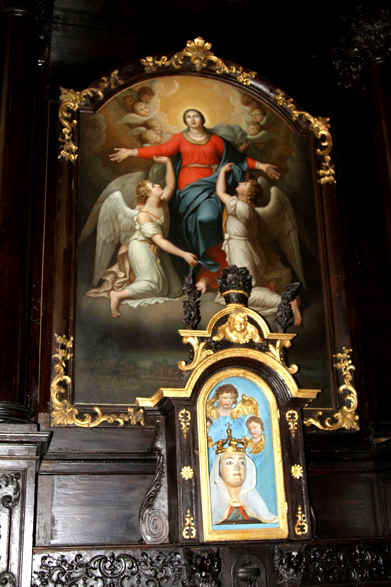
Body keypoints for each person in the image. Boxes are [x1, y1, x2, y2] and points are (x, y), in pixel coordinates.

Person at [109, 109, 280, 294]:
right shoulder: (180, 139)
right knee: (186, 226)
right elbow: (161, 150)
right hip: (186, 189)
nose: (192, 119)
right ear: (185, 121)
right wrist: (131, 152)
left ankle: (212, 264)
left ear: (202, 118)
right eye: (188, 117)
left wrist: (262, 166)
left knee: (207, 219)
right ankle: (201, 269)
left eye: (195, 116)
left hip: (211, 187)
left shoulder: (215, 140)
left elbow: (238, 159)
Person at [98, 156, 197, 317]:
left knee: (172, 290)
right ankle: (117, 296)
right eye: (153, 185)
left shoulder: (162, 201)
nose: (158, 185)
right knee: (152, 285)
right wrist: (183, 254)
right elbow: (160, 241)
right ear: (148, 194)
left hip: (155, 248)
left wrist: (167, 162)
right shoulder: (144, 215)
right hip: (140, 247)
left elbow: (171, 184)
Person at [216, 163, 302, 324]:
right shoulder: (249, 209)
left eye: (245, 184)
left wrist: (221, 172)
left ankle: (286, 302)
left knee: (243, 292)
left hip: (241, 252)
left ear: (248, 193)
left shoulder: (240, 207)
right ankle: (283, 302)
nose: (240, 183)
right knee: (236, 295)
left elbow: (220, 192)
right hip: (244, 250)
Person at [210, 430, 278, 525]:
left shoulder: (258, 510)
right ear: (218, 469)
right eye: (229, 463)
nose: (237, 467)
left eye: (242, 462)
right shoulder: (212, 513)